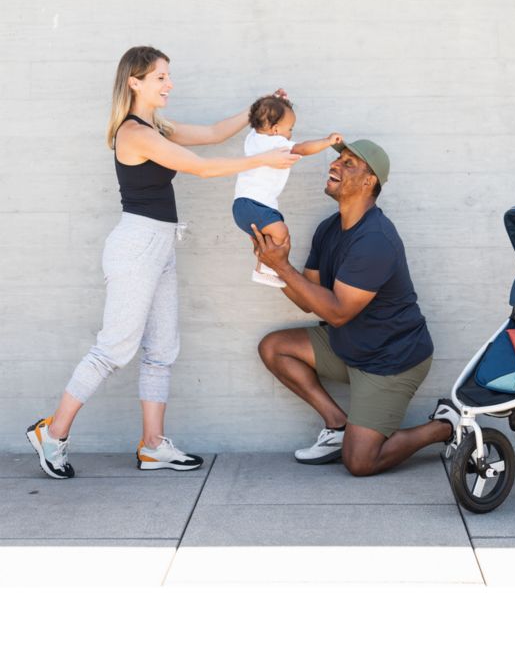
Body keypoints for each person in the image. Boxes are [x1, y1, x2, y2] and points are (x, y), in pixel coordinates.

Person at [26, 45, 301, 480]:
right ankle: (52, 432)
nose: (169, 83)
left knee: (161, 350)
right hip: (137, 245)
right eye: (160, 77)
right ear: (134, 82)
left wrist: (258, 111)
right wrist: (262, 158)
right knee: (114, 348)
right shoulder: (134, 133)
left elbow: (213, 133)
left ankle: (152, 445)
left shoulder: (158, 127)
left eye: (168, 76)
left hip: (161, 243)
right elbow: (200, 168)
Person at [254, 139, 460, 476]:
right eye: (338, 160)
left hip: (390, 360)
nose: (334, 165)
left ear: (369, 181)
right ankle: (337, 425)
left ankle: (445, 426)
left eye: (349, 163)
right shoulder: (328, 229)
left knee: (361, 462)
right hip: (348, 346)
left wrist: (283, 268)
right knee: (274, 347)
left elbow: (337, 313)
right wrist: (271, 265)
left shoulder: (375, 239)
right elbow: (308, 301)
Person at [232, 93, 342, 287]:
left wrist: (273, 100)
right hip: (255, 204)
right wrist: (327, 141)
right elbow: (303, 148)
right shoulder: (277, 142)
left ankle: (263, 266)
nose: (291, 134)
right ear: (275, 129)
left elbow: (260, 117)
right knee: (281, 233)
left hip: (242, 205)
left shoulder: (252, 138)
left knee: (271, 237)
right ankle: (265, 270)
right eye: (290, 129)